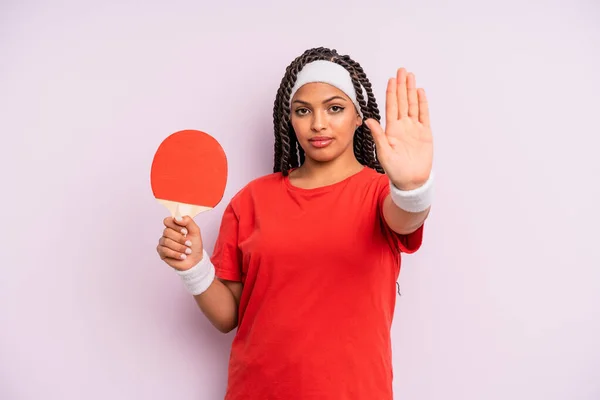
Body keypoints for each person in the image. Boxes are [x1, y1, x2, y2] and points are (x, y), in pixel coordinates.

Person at [156, 46, 434, 399]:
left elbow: (407, 218)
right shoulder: (251, 200)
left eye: (335, 108)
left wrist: (412, 189)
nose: (318, 123)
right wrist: (192, 266)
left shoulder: (381, 195)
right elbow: (228, 316)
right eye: (303, 111)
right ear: (289, 119)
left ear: (357, 116)